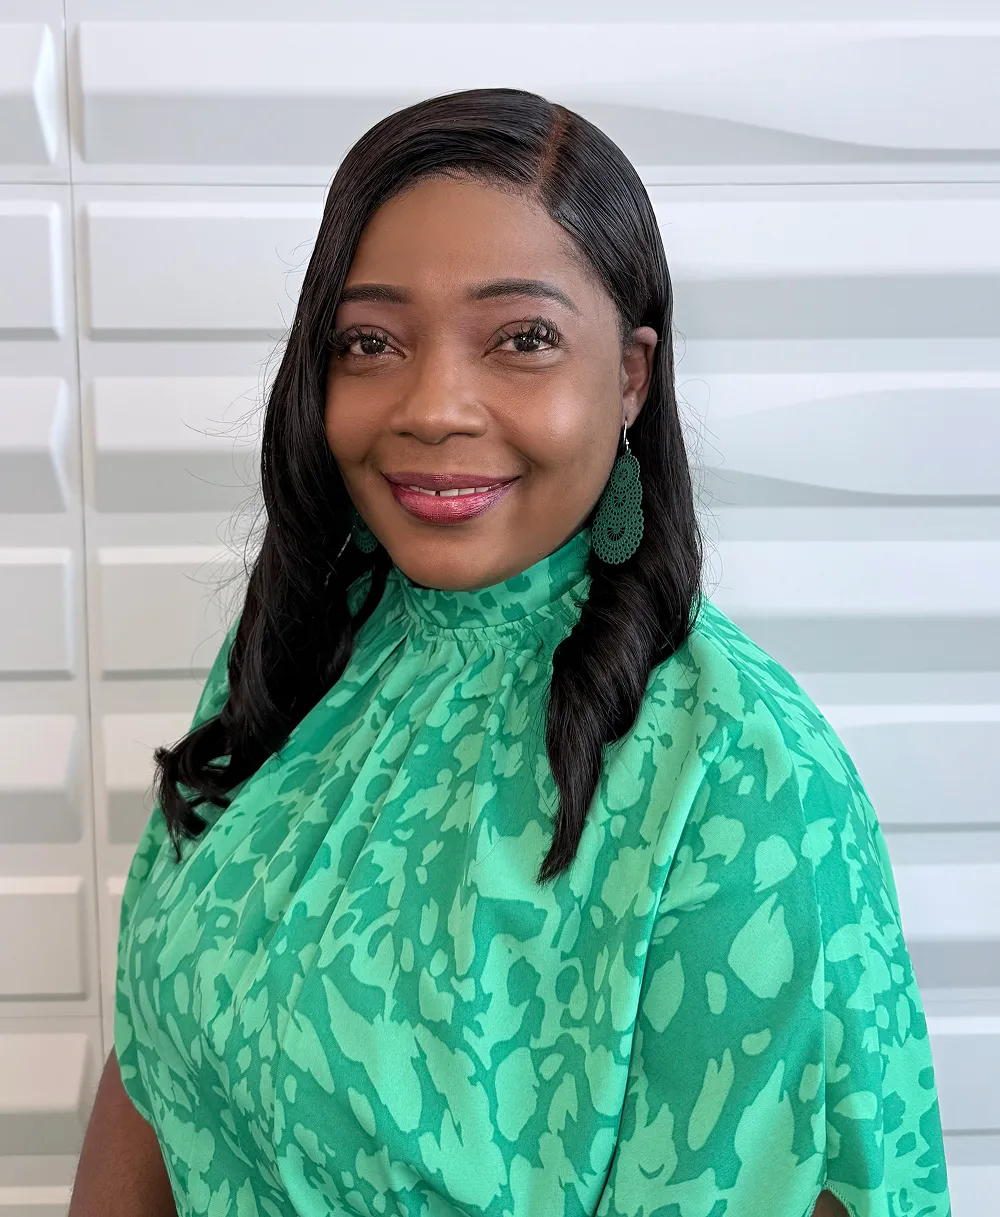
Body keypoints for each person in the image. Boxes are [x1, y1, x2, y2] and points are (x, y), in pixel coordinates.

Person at [70, 88, 950, 1217]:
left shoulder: (741, 780)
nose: (433, 406)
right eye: (371, 341)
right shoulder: (302, 648)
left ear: (630, 375)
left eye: (523, 338)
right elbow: (154, 1056)